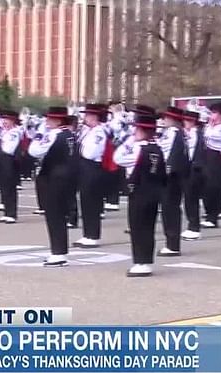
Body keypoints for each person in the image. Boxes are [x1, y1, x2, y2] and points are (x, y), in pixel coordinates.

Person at [114, 112, 166, 277]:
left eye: (136, 130)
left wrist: (129, 140)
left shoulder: (138, 149)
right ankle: (145, 260)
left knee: (137, 227)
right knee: (147, 228)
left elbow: (118, 158)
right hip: (153, 192)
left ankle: (141, 262)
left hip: (139, 191)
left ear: (143, 131)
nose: (134, 132)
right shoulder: (157, 148)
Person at [28, 106, 79, 266]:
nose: (47, 121)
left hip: (53, 178)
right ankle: (60, 251)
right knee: (60, 216)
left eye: (49, 119)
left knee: (54, 216)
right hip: (67, 177)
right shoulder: (70, 135)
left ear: (57, 121)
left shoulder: (52, 135)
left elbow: (34, 151)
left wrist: (37, 136)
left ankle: (58, 252)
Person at [74, 103, 116, 248]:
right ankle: (87, 234)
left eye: (88, 115)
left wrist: (81, 150)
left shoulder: (98, 132)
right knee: (85, 201)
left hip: (93, 167)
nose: (85, 118)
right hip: (84, 167)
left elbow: (90, 153)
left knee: (91, 202)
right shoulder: (88, 131)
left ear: (95, 117)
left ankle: (92, 235)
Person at [157, 106, 190, 256]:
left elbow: (172, 154)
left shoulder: (174, 133)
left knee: (170, 209)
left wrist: (167, 171)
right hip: (174, 175)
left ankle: (172, 244)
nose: (164, 120)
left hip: (172, 176)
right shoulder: (176, 133)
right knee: (169, 209)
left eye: (166, 117)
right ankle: (171, 242)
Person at [202, 102, 221, 228]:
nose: (212, 115)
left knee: (214, 186)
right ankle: (209, 212)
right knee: (206, 186)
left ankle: (213, 216)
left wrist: (211, 126)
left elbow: (215, 136)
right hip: (206, 155)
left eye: (214, 113)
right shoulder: (210, 125)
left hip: (217, 157)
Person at [0, 109, 22, 224]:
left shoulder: (14, 132)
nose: (4, 122)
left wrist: (1, 139)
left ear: (13, 121)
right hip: (0, 159)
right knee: (3, 186)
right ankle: (6, 211)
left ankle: (11, 213)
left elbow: (8, 149)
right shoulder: (3, 132)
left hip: (9, 160)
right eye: (3, 120)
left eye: (7, 120)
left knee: (10, 187)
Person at [181, 110, 205, 241]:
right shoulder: (190, 133)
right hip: (190, 167)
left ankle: (194, 227)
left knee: (191, 198)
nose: (185, 123)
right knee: (189, 198)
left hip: (195, 168)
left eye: (187, 121)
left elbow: (191, 150)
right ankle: (192, 225)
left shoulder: (196, 134)